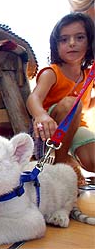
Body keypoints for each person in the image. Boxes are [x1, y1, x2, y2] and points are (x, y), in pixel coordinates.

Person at [26, 13, 95, 179]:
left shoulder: (88, 75)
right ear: (56, 46)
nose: (71, 43)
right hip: (49, 128)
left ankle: (70, 162)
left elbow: (85, 104)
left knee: (92, 161)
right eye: (64, 40)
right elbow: (33, 99)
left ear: (90, 42)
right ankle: (61, 165)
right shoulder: (52, 72)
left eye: (79, 37)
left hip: (76, 128)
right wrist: (41, 115)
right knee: (72, 104)